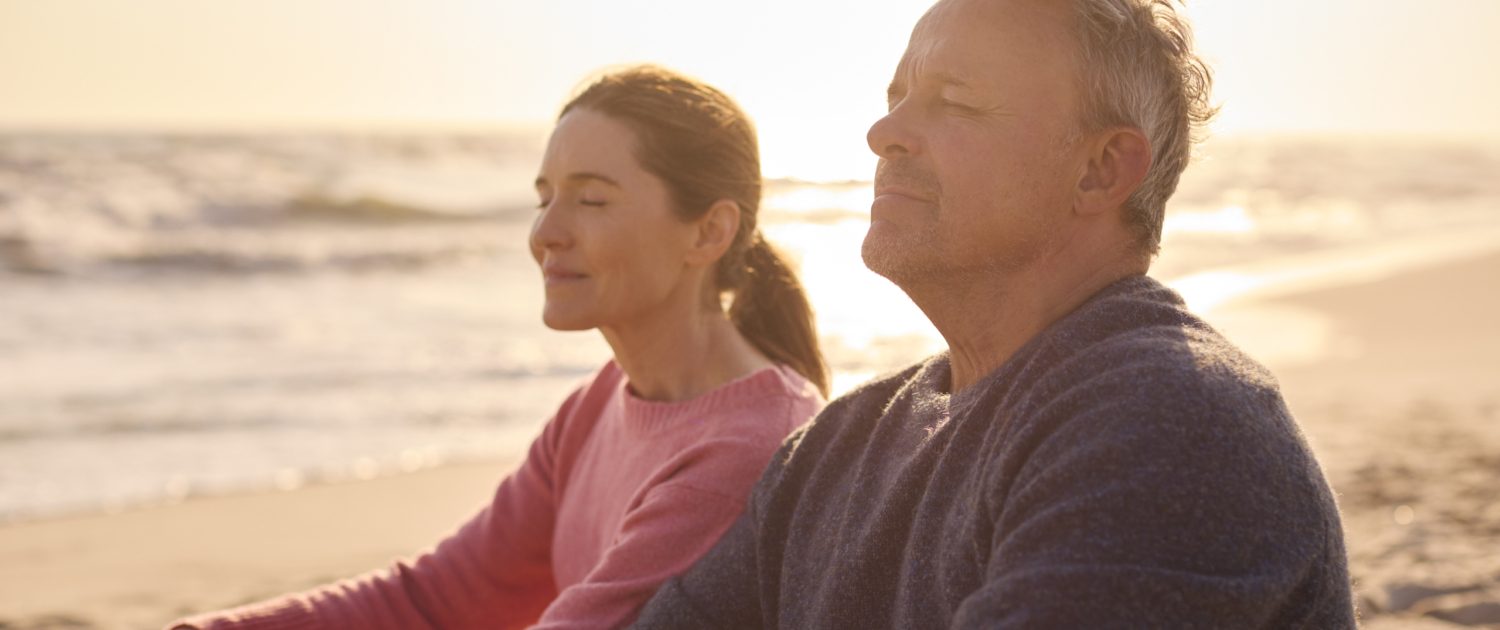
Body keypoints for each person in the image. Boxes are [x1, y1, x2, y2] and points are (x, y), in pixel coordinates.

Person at [632, 0, 1355, 627]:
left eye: (954, 100)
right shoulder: (831, 449)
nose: (885, 133)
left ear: (1100, 169)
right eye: (898, 96)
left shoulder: (1173, 420)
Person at [172, 66, 828, 629]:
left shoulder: (746, 448)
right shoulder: (596, 405)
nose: (546, 233)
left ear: (708, 232)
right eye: (544, 199)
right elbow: (431, 602)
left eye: (592, 200)